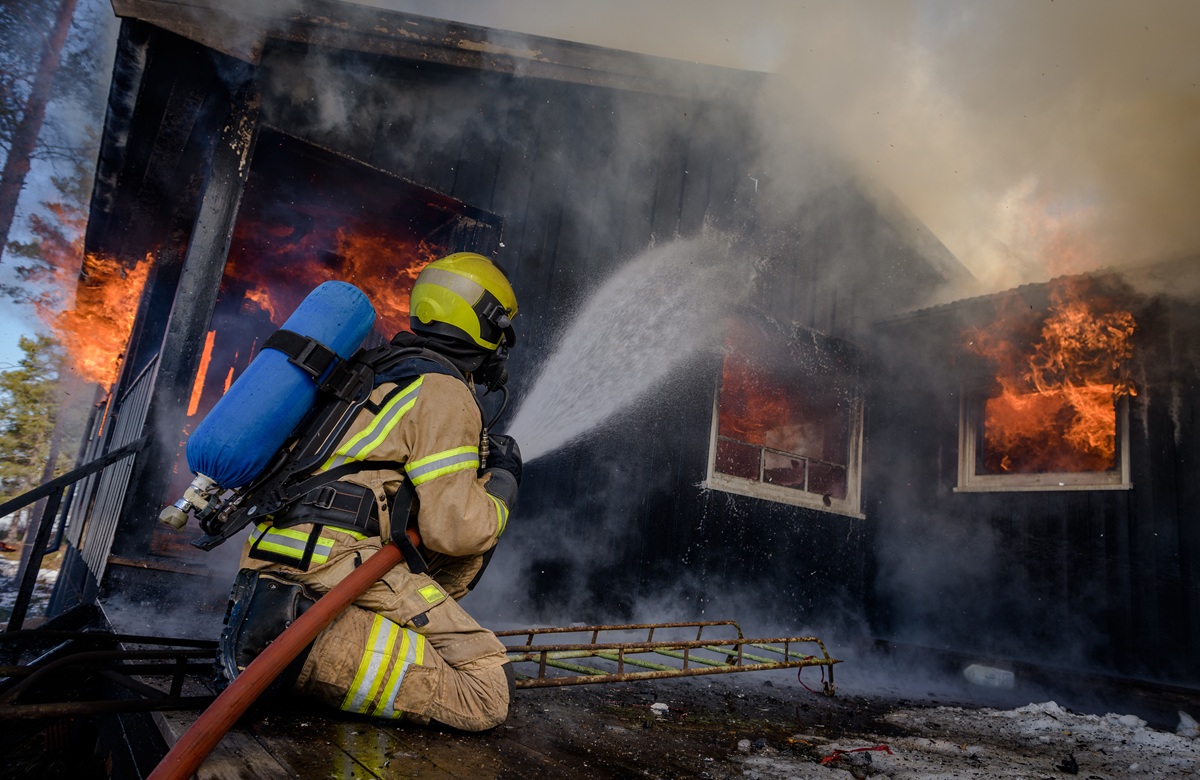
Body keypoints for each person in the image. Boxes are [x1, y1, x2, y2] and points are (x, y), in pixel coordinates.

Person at [216, 252, 522, 731]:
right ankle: (290, 647)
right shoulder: (443, 391)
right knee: (487, 691)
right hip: (339, 564)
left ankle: (292, 621)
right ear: (488, 327)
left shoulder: (369, 372)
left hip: (278, 555)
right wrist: (503, 482)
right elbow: (456, 531)